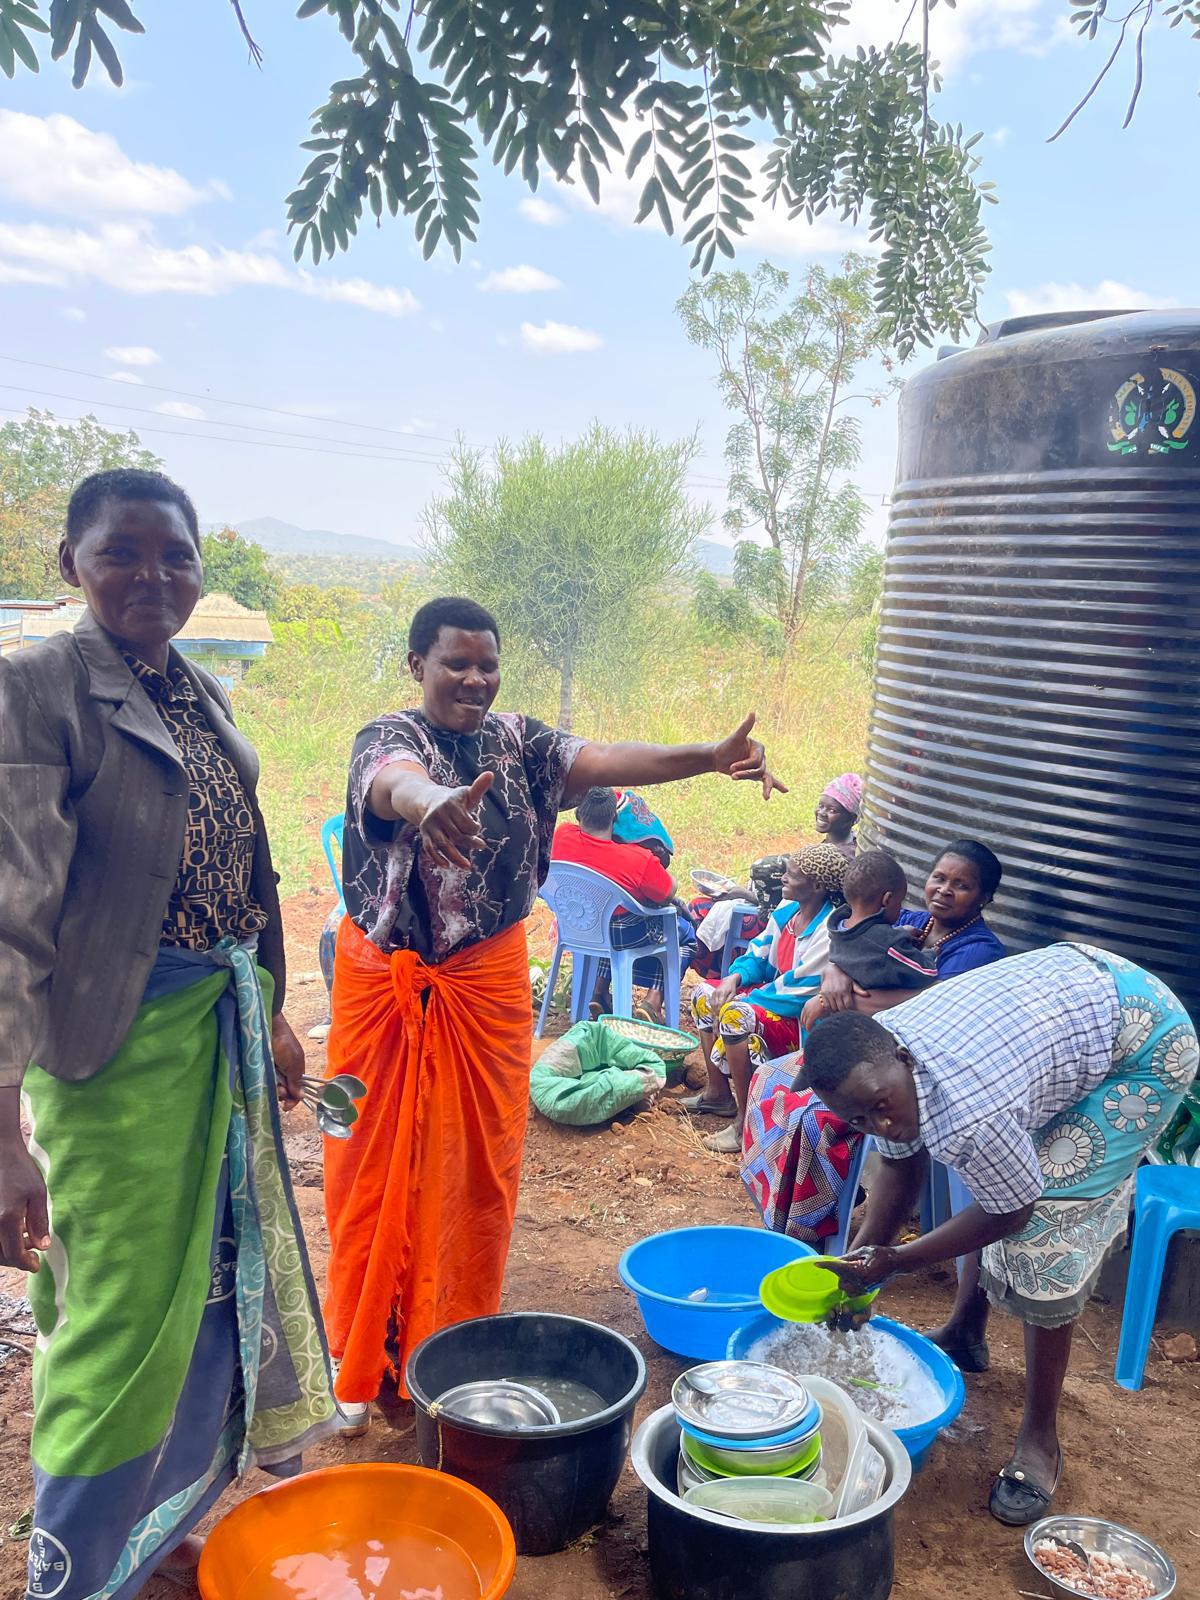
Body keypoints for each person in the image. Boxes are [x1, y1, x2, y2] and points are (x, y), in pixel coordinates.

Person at [324, 595, 785, 1431]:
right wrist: (430, 803)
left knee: (475, 1174)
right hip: (388, 990)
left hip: (486, 983)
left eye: (486, 664)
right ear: (416, 664)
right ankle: (362, 1356)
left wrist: (708, 758)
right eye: (455, 662)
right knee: (372, 1169)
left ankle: (448, 1339)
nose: (474, 678)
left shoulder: (520, 741)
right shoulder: (388, 740)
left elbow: (608, 757)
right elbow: (391, 783)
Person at [0, 469, 335, 1597]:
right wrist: (2, 1124)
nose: (154, 577)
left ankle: (155, 1530)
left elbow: (246, 866)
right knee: (118, 1318)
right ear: (71, 563)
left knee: (207, 1282)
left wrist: (277, 1009)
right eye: (123, 552)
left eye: (176, 556)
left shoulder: (198, 692)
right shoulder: (37, 686)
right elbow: (11, 915)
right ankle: (79, 1565)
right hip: (116, 1053)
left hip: (218, 1026)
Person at [804, 947, 1198, 1524]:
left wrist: (898, 1260)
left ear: (905, 1058)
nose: (879, 1125)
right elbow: (898, 1164)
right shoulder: (874, 1062)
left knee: (1044, 1234)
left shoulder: (970, 1110)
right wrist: (858, 1271)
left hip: (1142, 1044)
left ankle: (1041, 1439)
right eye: (860, 1119)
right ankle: (966, 1331)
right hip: (1076, 1000)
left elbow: (1012, 1210)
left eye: (881, 1108)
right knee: (995, 1173)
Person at [741, 839, 1006, 1250]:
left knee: (812, 1118)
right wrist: (834, 973)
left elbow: (935, 1003)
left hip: (912, 1073)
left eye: (962, 885)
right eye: (939, 878)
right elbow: (849, 943)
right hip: (868, 1051)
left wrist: (842, 996)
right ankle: (777, 1214)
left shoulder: (978, 950)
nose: (944, 890)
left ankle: (809, 1229)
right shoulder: (908, 918)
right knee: (770, 1079)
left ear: (984, 897)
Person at [684, 843, 849, 1154]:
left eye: (792, 874)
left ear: (816, 886)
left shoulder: (828, 930)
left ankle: (743, 1124)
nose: (783, 878)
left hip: (799, 1019)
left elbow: (798, 988)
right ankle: (717, 1093)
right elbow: (757, 955)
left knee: (734, 1014)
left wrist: (746, 998)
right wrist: (734, 978)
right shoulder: (787, 914)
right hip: (771, 999)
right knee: (705, 994)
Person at [552, 786, 692, 1021]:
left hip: (577, 930)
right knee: (684, 935)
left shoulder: (561, 836)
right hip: (624, 937)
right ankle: (653, 1001)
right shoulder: (637, 860)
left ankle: (599, 992)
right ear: (614, 819)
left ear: (578, 814)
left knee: (609, 926)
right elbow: (668, 892)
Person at [815, 772, 862, 862]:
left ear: (852, 818)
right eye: (821, 806)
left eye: (832, 810)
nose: (821, 813)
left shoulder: (842, 857)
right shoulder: (845, 843)